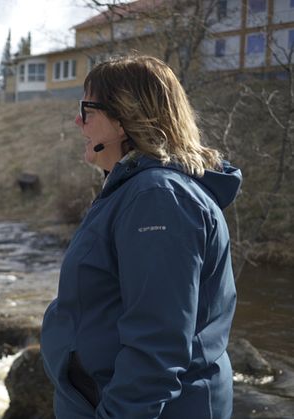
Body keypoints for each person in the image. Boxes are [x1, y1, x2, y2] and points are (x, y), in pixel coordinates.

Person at [40, 55, 241, 419]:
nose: (77, 121)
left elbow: (157, 345)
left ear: (122, 120)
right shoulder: (135, 191)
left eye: (87, 110)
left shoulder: (158, 198)